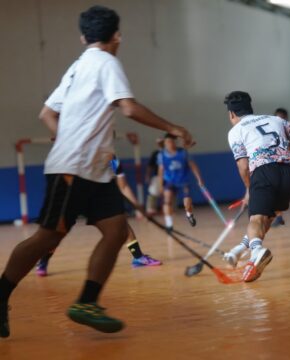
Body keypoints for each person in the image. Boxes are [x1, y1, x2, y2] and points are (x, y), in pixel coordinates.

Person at [0, 5, 193, 338]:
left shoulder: (77, 66)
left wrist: (69, 135)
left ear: (82, 36)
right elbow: (128, 107)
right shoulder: (106, 62)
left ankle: (87, 302)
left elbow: (47, 113)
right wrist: (172, 127)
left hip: (94, 169)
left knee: (117, 231)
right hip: (73, 168)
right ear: (117, 36)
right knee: (48, 237)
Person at [222, 91, 290, 282]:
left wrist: (249, 189)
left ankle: (257, 251)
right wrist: (284, 152)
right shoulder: (274, 119)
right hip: (289, 171)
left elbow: (243, 165)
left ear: (231, 114)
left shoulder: (235, 131)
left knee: (256, 218)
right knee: (268, 216)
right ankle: (241, 250)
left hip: (263, 171)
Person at [35, 155, 162, 277]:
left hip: (96, 197)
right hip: (74, 195)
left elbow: (123, 186)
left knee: (120, 222)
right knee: (58, 233)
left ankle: (138, 257)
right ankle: (43, 261)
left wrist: (138, 207)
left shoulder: (113, 160)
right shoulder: (80, 155)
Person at [158, 133, 204, 230]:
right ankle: (169, 224)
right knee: (167, 201)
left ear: (175, 142)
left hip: (183, 181)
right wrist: (160, 184)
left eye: (170, 142)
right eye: (166, 142)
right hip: (169, 181)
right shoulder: (162, 155)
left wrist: (199, 179)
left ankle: (189, 214)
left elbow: (193, 166)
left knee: (187, 204)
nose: (168, 144)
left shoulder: (183, 153)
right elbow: (161, 170)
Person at [146, 137, 164, 215]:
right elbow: (150, 166)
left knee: (169, 193)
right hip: (157, 176)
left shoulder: (169, 152)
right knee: (153, 192)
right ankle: (151, 209)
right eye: (159, 142)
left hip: (169, 176)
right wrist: (148, 176)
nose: (160, 144)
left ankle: (170, 208)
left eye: (162, 142)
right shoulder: (155, 153)